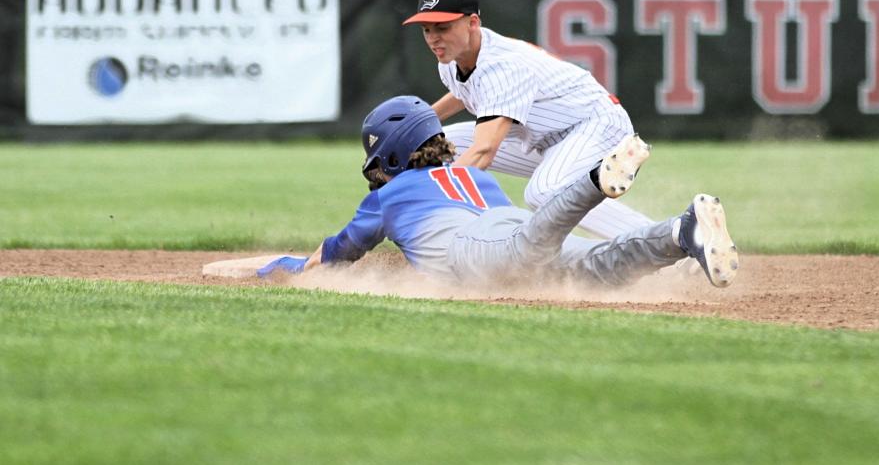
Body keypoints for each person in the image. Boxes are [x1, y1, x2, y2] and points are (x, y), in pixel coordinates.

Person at [257, 96, 739, 289]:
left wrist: (289, 267)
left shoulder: (391, 193)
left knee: (530, 247)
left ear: (392, 157)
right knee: (599, 268)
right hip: (504, 227)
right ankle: (681, 232)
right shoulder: (477, 176)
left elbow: (341, 251)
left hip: (480, 247)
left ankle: (594, 181)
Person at [401, 0, 655, 240]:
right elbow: (466, 91)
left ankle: (664, 239)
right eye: (426, 29)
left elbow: (483, 152)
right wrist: (423, 123)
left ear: (472, 22)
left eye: (442, 27)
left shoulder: (502, 66)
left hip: (594, 125)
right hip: (546, 137)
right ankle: (591, 178)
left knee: (544, 192)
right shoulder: (452, 61)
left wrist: (431, 198)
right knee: (441, 146)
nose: (433, 39)